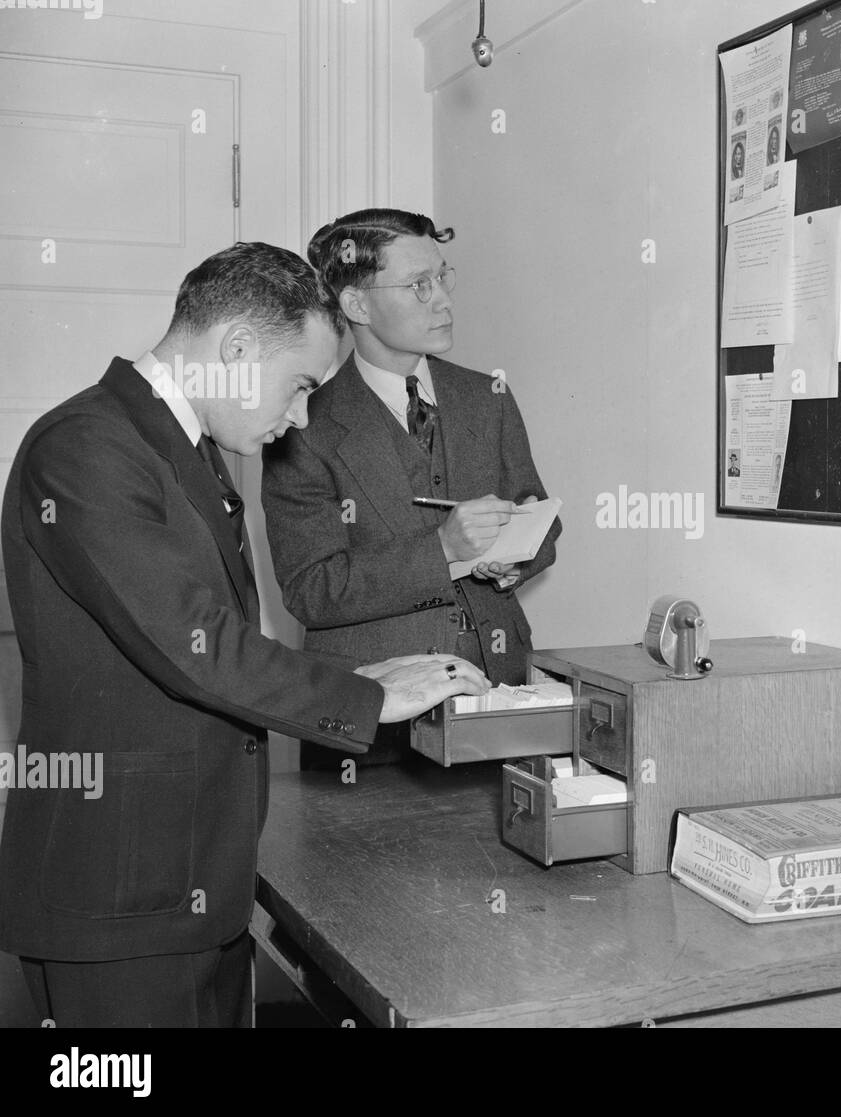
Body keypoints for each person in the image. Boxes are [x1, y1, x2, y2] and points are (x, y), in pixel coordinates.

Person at [0, 242, 490, 1027]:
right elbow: (197, 644)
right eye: (300, 386)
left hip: (190, 885)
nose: (300, 417)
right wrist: (366, 695)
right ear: (234, 347)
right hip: (120, 905)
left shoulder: (180, 447)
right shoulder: (86, 447)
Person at [262, 209, 560, 769]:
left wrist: (514, 558)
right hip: (371, 726)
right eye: (418, 285)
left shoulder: (486, 396)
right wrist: (445, 551)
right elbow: (311, 590)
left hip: (500, 699)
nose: (443, 300)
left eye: (443, 278)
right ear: (356, 305)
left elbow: (537, 513)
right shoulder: (301, 424)